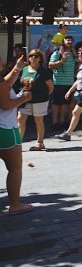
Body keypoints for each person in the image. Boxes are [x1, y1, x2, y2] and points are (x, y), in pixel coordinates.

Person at [1, 56, 34, 216]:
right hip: (5, 129)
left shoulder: (2, 82)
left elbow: (6, 84)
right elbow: (6, 105)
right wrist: (24, 98)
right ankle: (15, 205)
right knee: (14, 168)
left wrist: (18, 68)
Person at [16, 49, 53, 151]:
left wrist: (44, 96)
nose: (33, 57)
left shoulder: (43, 71)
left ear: (40, 58)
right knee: (20, 119)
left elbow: (50, 86)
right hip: (25, 98)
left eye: (36, 56)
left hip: (40, 100)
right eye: (31, 56)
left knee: (38, 120)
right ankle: (18, 143)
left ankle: (40, 142)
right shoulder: (25, 69)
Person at [48, 35, 77, 132]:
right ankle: (55, 123)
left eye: (71, 40)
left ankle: (62, 122)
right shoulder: (57, 52)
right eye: (67, 40)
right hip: (58, 83)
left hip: (70, 83)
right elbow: (50, 65)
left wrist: (74, 53)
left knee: (65, 104)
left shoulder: (73, 53)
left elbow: (78, 63)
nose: (69, 42)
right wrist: (62, 61)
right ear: (63, 41)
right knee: (57, 103)